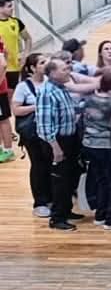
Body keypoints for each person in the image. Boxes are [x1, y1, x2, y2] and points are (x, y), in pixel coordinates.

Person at [36, 57, 87, 231]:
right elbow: (44, 125)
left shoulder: (61, 87)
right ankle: (57, 218)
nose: (68, 72)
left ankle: (66, 210)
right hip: (57, 142)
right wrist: (55, 148)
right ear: (52, 73)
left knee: (70, 177)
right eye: (64, 69)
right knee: (60, 180)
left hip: (69, 139)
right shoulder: (46, 92)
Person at [81, 71, 111, 230]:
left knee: (101, 181)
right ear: (110, 87)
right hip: (106, 146)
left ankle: (100, 215)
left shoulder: (90, 98)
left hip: (90, 145)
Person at [13, 55, 52, 216]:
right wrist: (37, 106)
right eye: (42, 63)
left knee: (51, 164)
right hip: (33, 134)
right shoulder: (23, 86)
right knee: (38, 164)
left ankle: (51, 198)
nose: (46, 64)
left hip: (50, 131)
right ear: (32, 68)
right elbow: (16, 110)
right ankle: (40, 202)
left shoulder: (50, 82)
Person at [0, 0, 33, 89]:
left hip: (14, 66)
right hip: (1, 67)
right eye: (9, 6)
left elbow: (28, 38)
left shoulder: (16, 22)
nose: (12, 9)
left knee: (12, 93)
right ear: (0, 8)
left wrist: (25, 55)